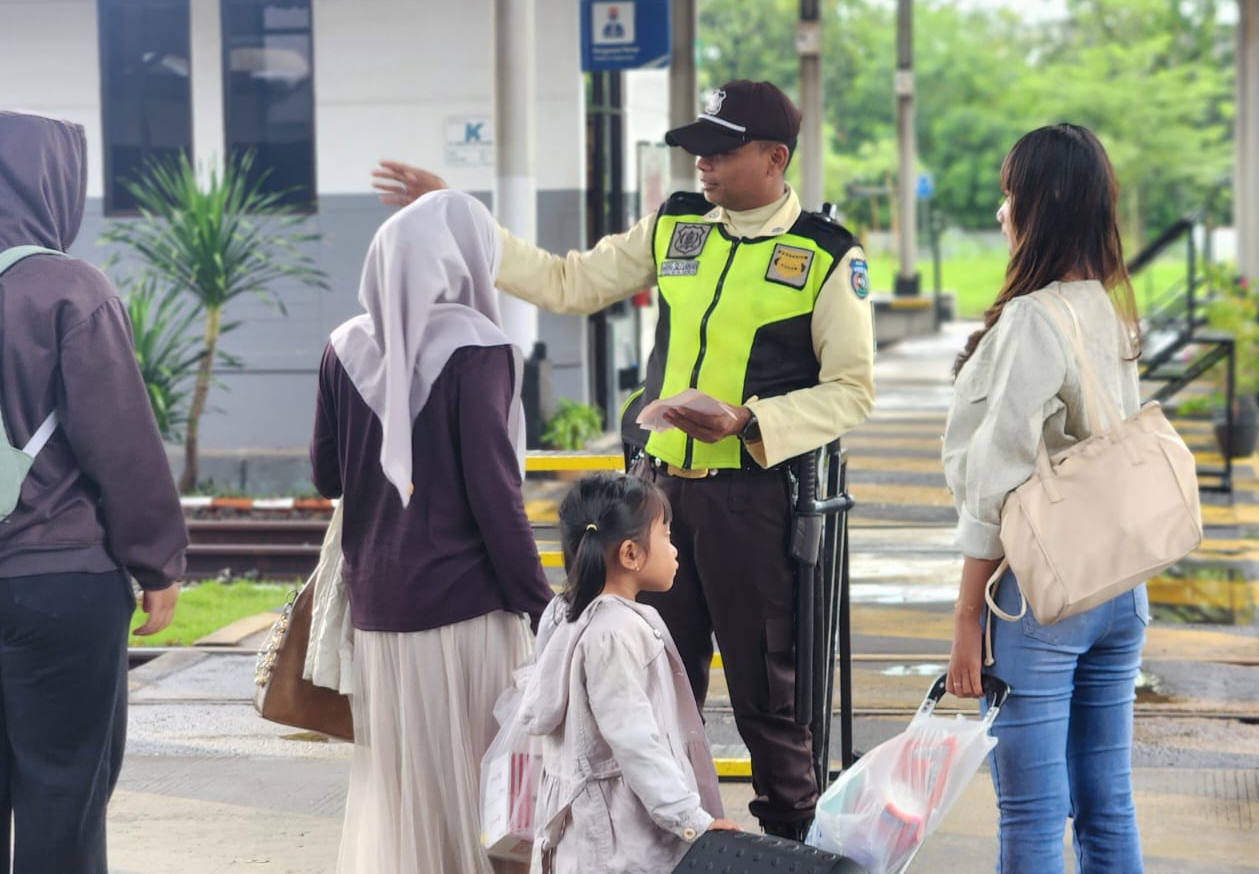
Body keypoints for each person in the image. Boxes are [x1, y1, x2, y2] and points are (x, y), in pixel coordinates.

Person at [371, 79, 875, 838]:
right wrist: (460, 216)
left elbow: (852, 389)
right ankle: (672, 841)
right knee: (646, 686)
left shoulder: (827, 253)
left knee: (767, 697)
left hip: (752, 500)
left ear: (775, 158)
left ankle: (790, 843)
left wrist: (750, 421)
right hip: (657, 501)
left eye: (721, 150)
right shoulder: (677, 225)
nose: (702, 164)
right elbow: (568, 282)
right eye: (698, 150)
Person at [310, 189, 555, 874]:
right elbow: (495, 496)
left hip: (379, 616)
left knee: (407, 798)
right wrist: (544, 606)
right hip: (468, 612)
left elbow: (326, 475)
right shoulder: (480, 348)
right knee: (485, 803)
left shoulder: (342, 346)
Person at [941, 123, 1149, 873]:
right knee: (1107, 803)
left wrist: (967, 616)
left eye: (1011, 195)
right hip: (1120, 587)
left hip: (1040, 595)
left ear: (1044, 204)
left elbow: (993, 487)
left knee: (1031, 814)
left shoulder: (1033, 319)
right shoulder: (1107, 307)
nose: (1002, 212)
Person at [0, 110, 187, 873]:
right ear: (53, 182)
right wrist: (158, 562)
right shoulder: (67, 289)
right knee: (62, 796)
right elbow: (120, 443)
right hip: (58, 579)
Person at [526, 473, 738, 872]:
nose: (674, 550)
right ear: (630, 554)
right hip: (619, 838)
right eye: (666, 536)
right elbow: (637, 744)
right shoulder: (614, 634)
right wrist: (691, 821)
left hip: (584, 831)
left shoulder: (564, 612)